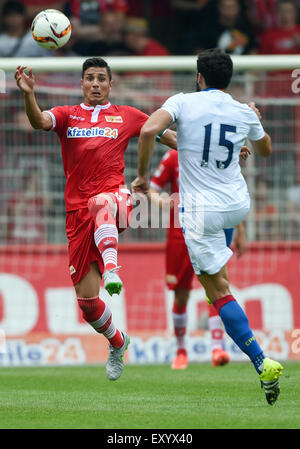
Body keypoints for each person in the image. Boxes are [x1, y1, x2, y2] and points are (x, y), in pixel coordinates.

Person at [132, 48, 283, 405]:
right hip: (236, 205)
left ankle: (262, 364)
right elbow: (265, 152)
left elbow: (149, 129)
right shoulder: (244, 110)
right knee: (220, 276)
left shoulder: (183, 102)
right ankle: (225, 346)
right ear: (228, 78)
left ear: (199, 77)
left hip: (202, 213)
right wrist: (252, 126)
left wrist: (140, 177)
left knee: (217, 291)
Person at [14, 57, 177, 381]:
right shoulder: (66, 115)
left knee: (101, 201)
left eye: (102, 78)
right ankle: (118, 342)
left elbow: (170, 138)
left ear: (110, 84)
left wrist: (211, 150)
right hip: (77, 215)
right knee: (88, 304)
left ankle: (112, 268)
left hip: (117, 200)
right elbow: (39, 122)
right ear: (82, 83)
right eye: (90, 78)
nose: (96, 84)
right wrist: (28, 94)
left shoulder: (127, 116)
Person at [149, 148, 247, 369]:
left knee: (216, 288)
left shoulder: (211, 150)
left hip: (210, 228)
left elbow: (231, 193)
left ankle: (217, 347)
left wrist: (241, 229)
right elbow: (152, 190)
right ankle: (181, 350)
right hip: (179, 233)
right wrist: (164, 202)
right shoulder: (173, 156)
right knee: (181, 295)